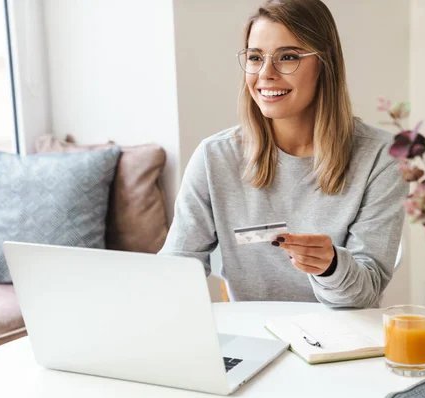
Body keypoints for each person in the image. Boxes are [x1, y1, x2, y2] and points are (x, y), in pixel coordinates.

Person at [158, 0, 408, 308]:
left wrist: (331, 266)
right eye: (255, 57)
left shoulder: (381, 158)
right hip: (253, 342)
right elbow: (176, 269)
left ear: (325, 64)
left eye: (287, 57)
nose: (266, 74)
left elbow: (365, 292)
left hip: (343, 345)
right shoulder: (214, 157)